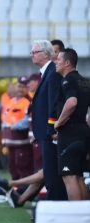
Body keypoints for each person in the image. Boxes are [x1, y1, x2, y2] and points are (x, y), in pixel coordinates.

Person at [30, 39, 67, 201]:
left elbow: (53, 103)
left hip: (49, 132)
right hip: (44, 131)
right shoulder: (47, 72)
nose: (31, 55)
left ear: (45, 54)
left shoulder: (52, 73)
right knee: (50, 171)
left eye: (34, 52)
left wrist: (51, 128)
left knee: (52, 173)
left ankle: (55, 205)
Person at [55, 48, 90, 200]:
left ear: (67, 63)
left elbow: (71, 102)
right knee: (78, 175)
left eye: (59, 60)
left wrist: (59, 122)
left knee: (69, 176)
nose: (56, 62)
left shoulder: (67, 80)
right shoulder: (84, 81)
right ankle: (84, 214)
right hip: (83, 131)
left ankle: (77, 215)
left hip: (70, 132)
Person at [1, 77, 34, 180]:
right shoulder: (12, 101)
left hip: (22, 142)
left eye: (24, 87)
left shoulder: (29, 101)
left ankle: (24, 193)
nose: (21, 89)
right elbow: (6, 117)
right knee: (13, 168)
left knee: (22, 168)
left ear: (28, 88)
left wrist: (15, 127)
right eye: (19, 86)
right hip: (11, 142)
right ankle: (16, 192)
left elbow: (26, 120)